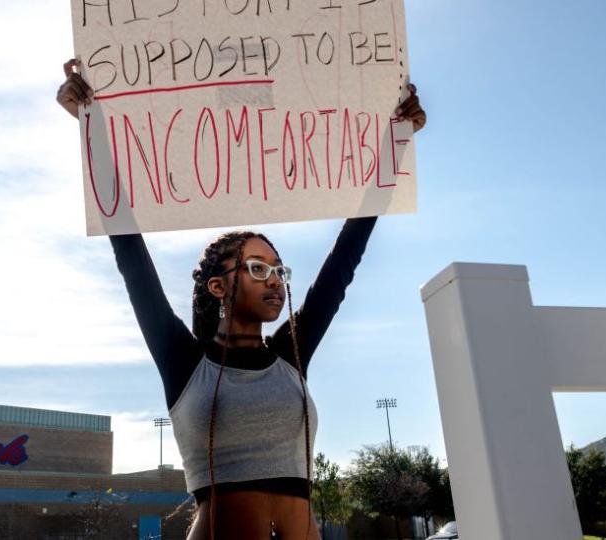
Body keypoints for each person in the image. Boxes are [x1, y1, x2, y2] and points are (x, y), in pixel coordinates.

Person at [57, 59, 426, 540]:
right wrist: (91, 129)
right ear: (218, 287)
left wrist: (395, 140)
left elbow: (347, 254)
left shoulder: (290, 355)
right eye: (257, 269)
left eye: (278, 270)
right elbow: (128, 247)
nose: (274, 280)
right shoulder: (185, 362)